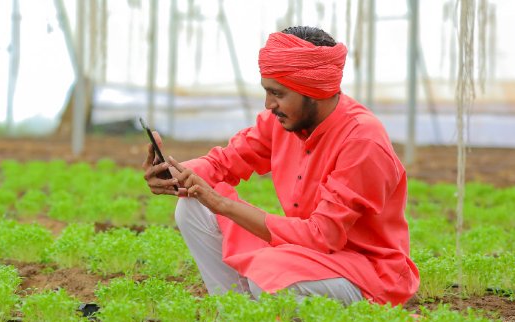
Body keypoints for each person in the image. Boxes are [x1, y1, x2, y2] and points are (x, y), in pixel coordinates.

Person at [142, 26, 419, 306]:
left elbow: (323, 236)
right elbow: (225, 162)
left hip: (365, 274)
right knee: (194, 206)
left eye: (278, 94)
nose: (268, 104)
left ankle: (261, 308)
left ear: (313, 91)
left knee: (270, 275)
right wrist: (174, 174)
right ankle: (236, 309)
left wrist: (222, 204)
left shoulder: (362, 141)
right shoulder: (281, 122)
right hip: (301, 254)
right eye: (267, 91)